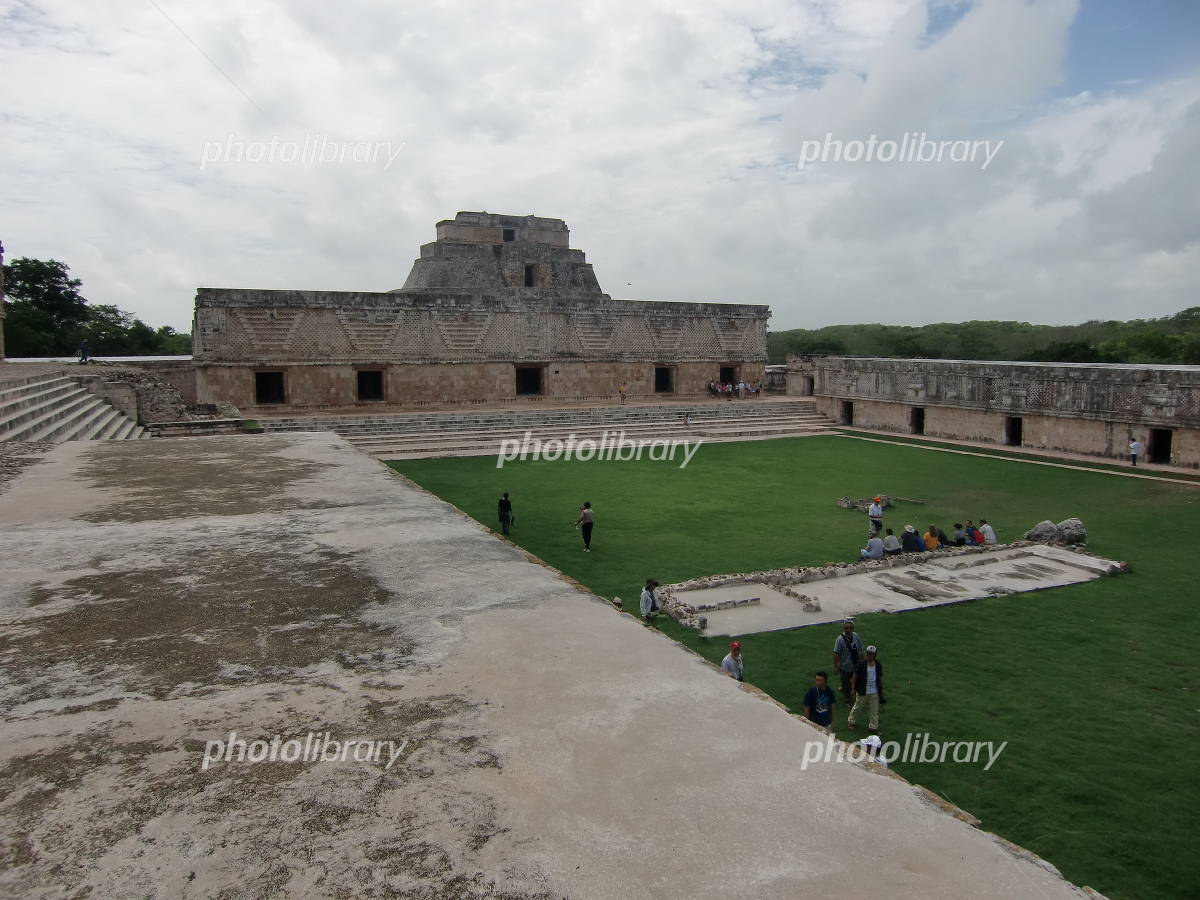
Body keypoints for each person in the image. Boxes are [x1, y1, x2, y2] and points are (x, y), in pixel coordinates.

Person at [847, 645, 885, 732]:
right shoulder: (861, 664)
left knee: (874, 710)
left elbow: (879, 678)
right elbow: (855, 676)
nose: (869, 656)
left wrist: (881, 690)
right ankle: (851, 721)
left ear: (875, 655)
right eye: (868, 654)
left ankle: (873, 727)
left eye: (871, 654)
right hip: (862, 690)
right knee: (858, 707)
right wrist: (853, 688)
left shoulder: (878, 665)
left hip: (874, 692)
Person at [832, 619, 864, 702]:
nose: (848, 630)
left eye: (850, 628)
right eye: (846, 628)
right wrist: (836, 667)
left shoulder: (856, 636)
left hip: (856, 665)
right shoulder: (840, 640)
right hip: (845, 666)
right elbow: (836, 654)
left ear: (853, 629)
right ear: (844, 628)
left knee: (856, 680)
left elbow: (860, 649)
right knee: (846, 683)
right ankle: (848, 700)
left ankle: (844, 688)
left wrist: (862, 661)